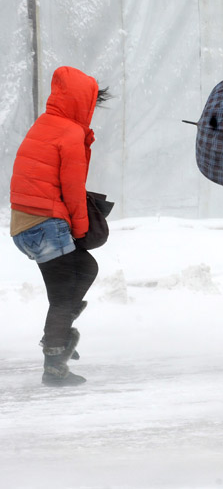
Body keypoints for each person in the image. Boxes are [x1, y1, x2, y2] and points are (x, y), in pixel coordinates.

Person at [9, 66, 110, 386]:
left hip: (24, 226)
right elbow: (73, 190)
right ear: (82, 102)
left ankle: (60, 331)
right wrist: (81, 230)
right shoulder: (69, 133)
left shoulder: (45, 124)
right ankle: (54, 363)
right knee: (63, 295)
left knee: (85, 268)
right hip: (45, 224)